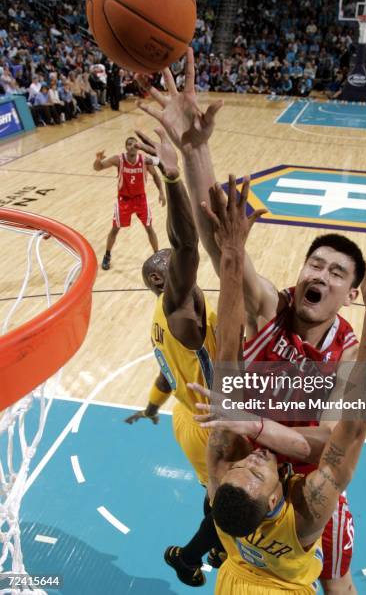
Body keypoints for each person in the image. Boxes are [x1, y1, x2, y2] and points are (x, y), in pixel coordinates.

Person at [137, 48, 364, 592]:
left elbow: (329, 446)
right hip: (242, 458)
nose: (322, 273)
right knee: (228, 524)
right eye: (316, 262)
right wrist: (195, 150)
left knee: (337, 583)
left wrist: (259, 427)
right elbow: (219, 240)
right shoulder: (272, 307)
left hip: (304, 488)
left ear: (351, 294)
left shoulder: (349, 354)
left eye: (337, 272)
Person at [191, 177, 366, 594]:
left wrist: (230, 249)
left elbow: (227, 341)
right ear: (274, 500)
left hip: (238, 566)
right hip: (306, 476)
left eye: (333, 271)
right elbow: (346, 435)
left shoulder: (224, 466)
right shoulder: (309, 509)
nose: (254, 462)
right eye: (316, 264)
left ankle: (201, 549)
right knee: (336, 583)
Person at [123, 127, 224, 586]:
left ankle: (217, 544)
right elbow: (186, 245)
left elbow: (166, 375)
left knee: (223, 491)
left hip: (186, 414)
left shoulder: (160, 320)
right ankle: (187, 556)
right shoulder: (178, 307)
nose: (175, 265)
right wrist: (170, 175)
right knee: (227, 498)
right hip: (206, 421)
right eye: (166, 269)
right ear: (162, 285)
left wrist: (149, 408)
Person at [93, 136, 166, 270]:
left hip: (140, 199)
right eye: (129, 144)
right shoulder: (118, 159)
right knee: (115, 229)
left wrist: (161, 192)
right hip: (124, 200)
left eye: (134, 144)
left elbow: (156, 174)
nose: (132, 146)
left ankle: (157, 256)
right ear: (126, 147)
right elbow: (98, 168)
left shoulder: (145, 160)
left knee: (149, 228)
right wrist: (98, 159)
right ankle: (107, 255)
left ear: (138, 146)